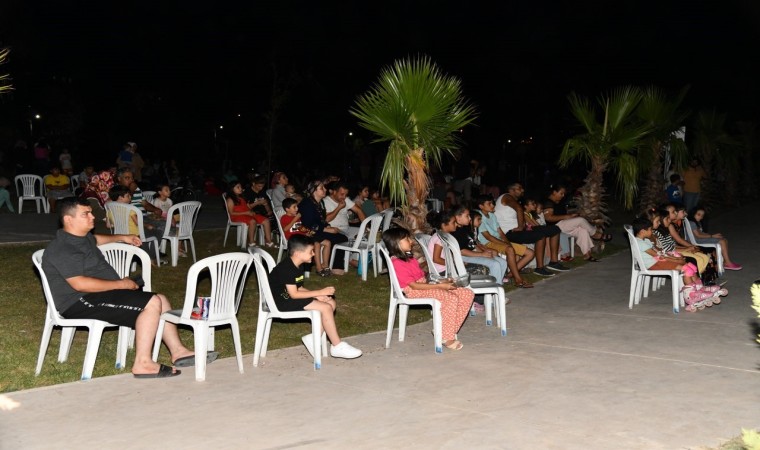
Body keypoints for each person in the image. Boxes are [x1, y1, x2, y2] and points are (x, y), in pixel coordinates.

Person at [41, 197, 209, 378]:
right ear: (68, 219)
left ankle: (178, 351)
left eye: (91, 212)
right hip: (78, 301)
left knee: (161, 299)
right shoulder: (63, 247)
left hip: (99, 295)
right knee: (152, 302)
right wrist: (120, 284)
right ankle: (142, 363)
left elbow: (96, 239)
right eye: (86, 214)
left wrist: (122, 237)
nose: (92, 217)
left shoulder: (82, 238)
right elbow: (79, 284)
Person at [268, 234, 362, 359]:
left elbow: (299, 288)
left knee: (331, 303)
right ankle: (337, 345)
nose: (313, 254)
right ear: (298, 253)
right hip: (281, 302)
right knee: (326, 308)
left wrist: (318, 296)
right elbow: (294, 294)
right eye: (311, 251)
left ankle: (314, 338)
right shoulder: (287, 268)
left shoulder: (297, 264)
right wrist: (319, 292)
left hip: (289, 297)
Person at [383, 227, 475, 351]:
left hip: (424, 286)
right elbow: (414, 286)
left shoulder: (410, 258)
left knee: (467, 293)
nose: (411, 241)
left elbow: (423, 278)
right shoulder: (397, 263)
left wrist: (441, 281)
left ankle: (443, 330)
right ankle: (447, 337)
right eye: (407, 239)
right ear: (397, 243)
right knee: (450, 298)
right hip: (414, 291)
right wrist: (440, 286)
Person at [632, 217, 726, 310]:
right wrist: (675, 259)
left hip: (658, 261)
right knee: (686, 269)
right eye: (649, 229)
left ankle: (699, 289)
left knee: (691, 266)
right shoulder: (640, 243)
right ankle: (691, 296)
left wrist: (673, 257)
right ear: (642, 231)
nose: (651, 231)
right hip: (654, 264)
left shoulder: (646, 240)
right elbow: (658, 255)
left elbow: (660, 253)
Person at [494, 182, 569, 276]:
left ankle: (554, 262)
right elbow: (519, 209)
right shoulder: (506, 196)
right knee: (540, 236)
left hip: (518, 230)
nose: (522, 190)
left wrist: (523, 226)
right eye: (519, 188)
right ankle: (539, 268)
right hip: (509, 232)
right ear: (511, 190)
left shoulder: (512, 200)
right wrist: (520, 227)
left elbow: (520, 213)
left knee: (555, 229)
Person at [475, 195, 534, 288]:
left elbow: (500, 233)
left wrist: (508, 243)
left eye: (492, 203)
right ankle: (518, 280)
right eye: (489, 204)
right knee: (510, 249)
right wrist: (506, 244)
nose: (492, 205)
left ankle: (509, 275)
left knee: (530, 253)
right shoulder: (479, 217)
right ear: (481, 206)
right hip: (487, 243)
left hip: (498, 241)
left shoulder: (492, 215)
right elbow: (488, 237)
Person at [543, 185, 610, 262]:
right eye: (561, 193)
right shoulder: (548, 202)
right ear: (554, 192)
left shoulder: (559, 202)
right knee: (581, 220)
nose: (563, 195)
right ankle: (595, 235)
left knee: (583, 231)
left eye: (564, 194)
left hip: (564, 225)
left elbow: (562, 214)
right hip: (556, 226)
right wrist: (566, 216)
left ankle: (587, 255)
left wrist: (571, 215)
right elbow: (548, 217)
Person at [298, 180, 349, 275]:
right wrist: (327, 230)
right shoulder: (307, 204)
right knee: (339, 238)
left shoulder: (320, 202)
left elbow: (322, 220)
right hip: (308, 232)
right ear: (313, 191)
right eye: (321, 188)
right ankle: (335, 265)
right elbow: (308, 224)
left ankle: (327, 264)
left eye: (324, 187)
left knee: (341, 237)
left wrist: (328, 226)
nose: (325, 189)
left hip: (317, 230)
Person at [451, 207, 509, 283]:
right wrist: (481, 254)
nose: (469, 218)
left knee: (502, 262)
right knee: (495, 264)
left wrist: (484, 253)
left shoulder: (466, 228)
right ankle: (496, 287)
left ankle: (497, 284)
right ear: (458, 218)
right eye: (467, 216)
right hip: (463, 257)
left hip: (472, 254)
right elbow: (462, 251)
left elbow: (474, 244)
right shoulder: (455, 231)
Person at [280, 197, 332, 276]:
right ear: (287, 209)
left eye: (297, 206)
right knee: (317, 244)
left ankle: (325, 265)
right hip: (295, 240)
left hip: (303, 237)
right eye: (294, 207)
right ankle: (319, 268)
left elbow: (300, 228)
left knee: (327, 242)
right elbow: (285, 229)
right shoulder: (285, 217)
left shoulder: (297, 218)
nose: (297, 209)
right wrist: (295, 218)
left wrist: (307, 231)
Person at [688, 206, 742, 270]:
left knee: (724, 240)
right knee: (722, 241)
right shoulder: (692, 223)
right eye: (698, 214)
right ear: (693, 214)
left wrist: (711, 235)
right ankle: (728, 262)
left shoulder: (696, 222)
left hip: (698, 239)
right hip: (696, 240)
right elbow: (698, 235)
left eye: (702, 215)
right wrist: (711, 236)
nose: (701, 217)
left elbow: (701, 233)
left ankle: (724, 261)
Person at [226, 182, 266, 248]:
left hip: (245, 215)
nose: (240, 189)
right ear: (232, 189)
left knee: (265, 220)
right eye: (238, 187)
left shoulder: (242, 198)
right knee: (252, 221)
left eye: (240, 187)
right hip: (236, 216)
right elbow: (231, 213)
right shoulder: (230, 200)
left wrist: (251, 212)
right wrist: (246, 213)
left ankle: (268, 241)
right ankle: (251, 242)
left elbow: (247, 208)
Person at [242, 176, 275, 247]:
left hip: (262, 213)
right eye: (259, 186)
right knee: (265, 220)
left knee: (272, 219)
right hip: (251, 213)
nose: (261, 188)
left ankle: (268, 241)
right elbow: (246, 207)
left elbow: (268, 209)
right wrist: (257, 203)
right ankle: (253, 242)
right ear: (253, 183)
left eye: (262, 186)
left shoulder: (262, 192)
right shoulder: (247, 192)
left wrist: (266, 205)